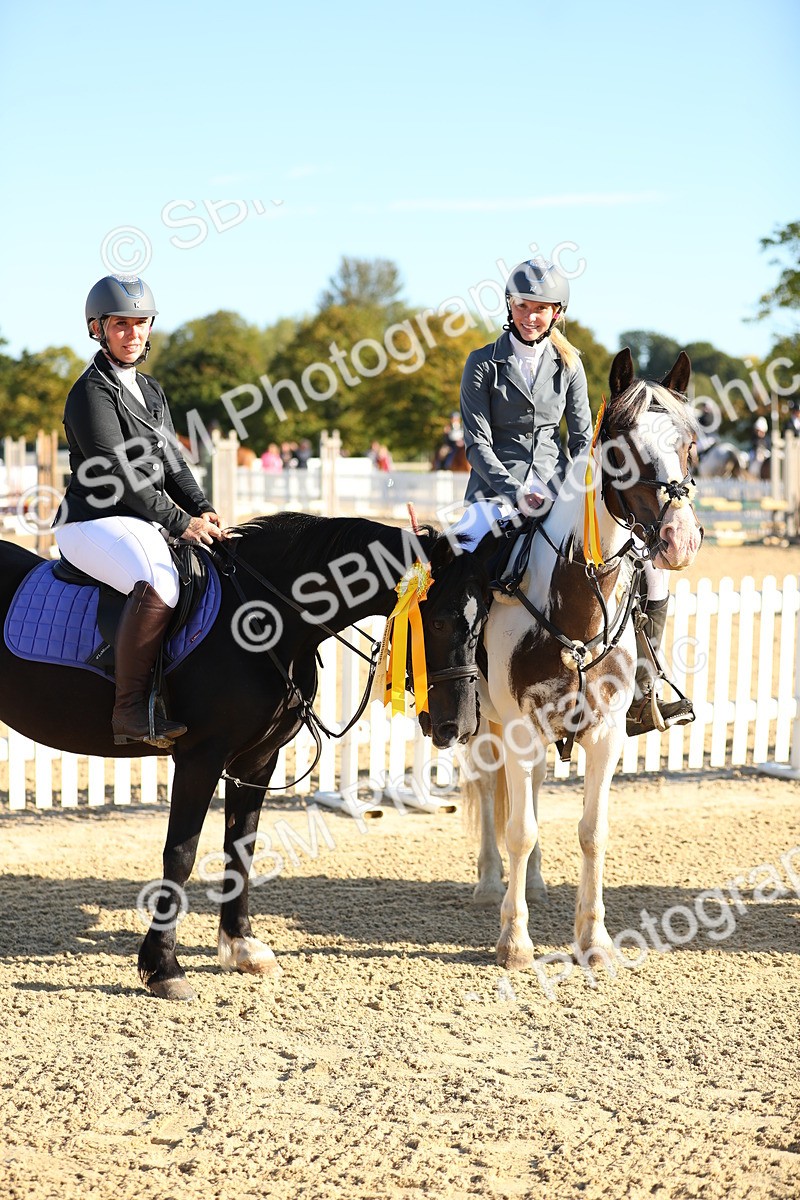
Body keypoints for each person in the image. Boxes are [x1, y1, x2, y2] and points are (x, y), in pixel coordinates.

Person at [455, 257, 692, 737]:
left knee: (649, 573)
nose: (531, 315)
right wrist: (516, 491)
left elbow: (583, 438)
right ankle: (454, 698)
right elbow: (476, 444)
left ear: (556, 312)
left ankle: (648, 689)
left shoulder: (570, 365)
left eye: (541, 308)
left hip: (558, 491)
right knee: (456, 574)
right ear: (510, 306)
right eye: (523, 305)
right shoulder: (482, 363)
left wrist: (562, 491)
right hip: (493, 493)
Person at [54, 273, 226, 748]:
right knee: (161, 580)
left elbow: (172, 460)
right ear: (98, 328)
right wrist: (179, 522)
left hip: (135, 519)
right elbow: (120, 474)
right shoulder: (91, 393)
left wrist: (203, 508)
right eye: (121, 324)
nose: (132, 333)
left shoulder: (149, 390)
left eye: (140, 323)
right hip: (91, 522)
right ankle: (130, 711)